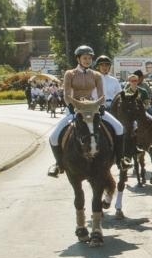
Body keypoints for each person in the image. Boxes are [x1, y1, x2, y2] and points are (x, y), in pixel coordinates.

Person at [47, 44, 125, 175]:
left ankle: (121, 159)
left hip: (93, 108)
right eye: (84, 58)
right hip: (75, 108)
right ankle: (58, 164)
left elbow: (101, 95)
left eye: (89, 58)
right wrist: (70, 105)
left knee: (119, 127)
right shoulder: (69, 74)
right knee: (53, 136)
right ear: (78, 59)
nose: (87, 60)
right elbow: (67, 94)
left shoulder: (96, 75)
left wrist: (101, 105)